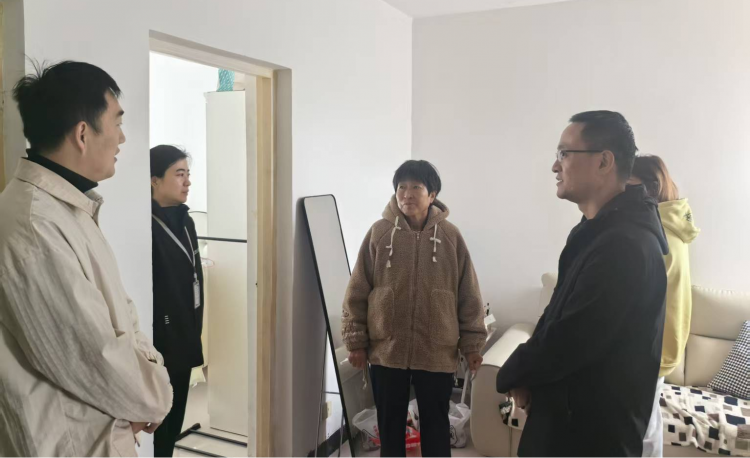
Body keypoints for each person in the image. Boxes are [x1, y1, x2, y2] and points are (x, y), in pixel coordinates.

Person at [0, 61, 172, 457]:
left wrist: (146, 389)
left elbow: (123, 316)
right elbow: (92, 357)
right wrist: (154, 397)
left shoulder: (69, 208)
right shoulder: (34, 227)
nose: (122, 138)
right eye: (117, 122)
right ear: (82, 133)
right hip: (73, 444)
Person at [495, 111, 668, 458]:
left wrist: (512, 373)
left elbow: (572, 337)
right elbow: (555, 314)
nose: (555, 166)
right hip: (566, 423)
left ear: (604, 161)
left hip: (590, 436)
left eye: (564, 153)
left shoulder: (625, 245)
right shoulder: (594, 231)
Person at [342, 160, 487, 458]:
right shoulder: (379, 233)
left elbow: (469, 294)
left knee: (436, 425)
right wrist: (356, 341)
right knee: (389, 425)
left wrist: (472, 345)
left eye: (416, 187)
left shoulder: (450, 236)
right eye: (401, 187)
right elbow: (357, 290)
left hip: (436, 350)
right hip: (387, 350)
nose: (407, 194)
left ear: (432, 195)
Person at [629, 155, 700, 458]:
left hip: (649, 348)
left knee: (639, 431)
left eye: (629, 187)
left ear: (648, 188)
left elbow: (637, 298)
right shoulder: (672, 228)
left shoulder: (657, 234)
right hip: (663, 344)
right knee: (649, 424)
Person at [150, 145, 205, 457]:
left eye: (188, 174)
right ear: (154, 180)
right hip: (160, 342)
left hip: (186, 334)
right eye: (179, 174)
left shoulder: (187, 222)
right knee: (158, 423)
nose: (187, 182)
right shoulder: (145, 225)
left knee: (175, 418)